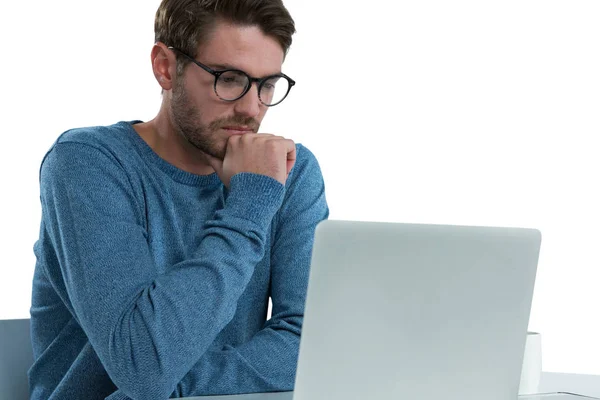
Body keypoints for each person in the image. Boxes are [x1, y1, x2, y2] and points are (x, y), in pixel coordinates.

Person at [29, 0, 328, 399]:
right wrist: (251, 203)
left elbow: (312, 345)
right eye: (229, 78)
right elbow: (144, 364)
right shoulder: (87, 164)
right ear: (166, 67)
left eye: (267, 84)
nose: (251, 108)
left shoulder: (290, 169)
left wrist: (178, 388)